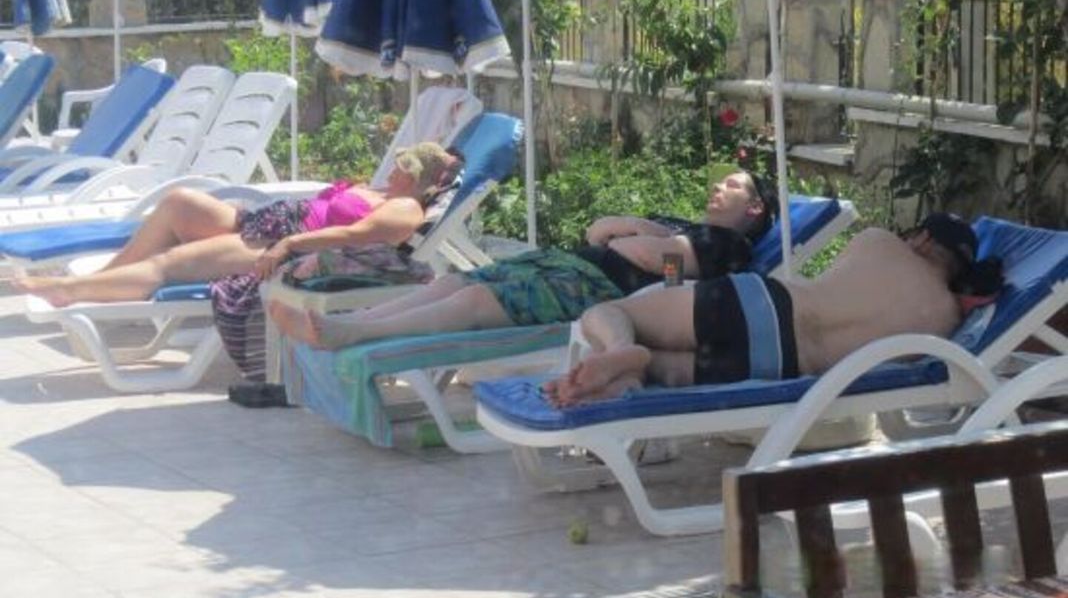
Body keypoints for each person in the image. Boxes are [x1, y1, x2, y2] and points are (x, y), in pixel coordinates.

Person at [14, 142, 460, 379]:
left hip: (278, 242)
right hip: (266, 222)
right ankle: (105, 280)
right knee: (179, 202)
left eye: (402, 166)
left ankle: (69, 291)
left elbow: (354, 236)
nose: (392, 169)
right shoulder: (384, 193)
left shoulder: (405, 207)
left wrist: (288, 245)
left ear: (415, 178)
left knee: (170, 262)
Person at [267, 170, 779, 350]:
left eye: (732, 186)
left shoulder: (728, 244)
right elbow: (598, 230)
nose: (718, 187)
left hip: (595, 290)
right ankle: (355, 319)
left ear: (754, 208)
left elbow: (661, 266)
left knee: (473, 300)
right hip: (568, 263)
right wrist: (645, 232)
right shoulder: (683, 228)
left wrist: (646, 241)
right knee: (454, 283)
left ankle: (351, 334)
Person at [544, 212, 1004, 406]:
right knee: (660, 371)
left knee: (615, 313)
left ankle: (620, 350)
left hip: (761, 303)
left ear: (922, 237)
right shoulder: (945, 317)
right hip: (779, 364)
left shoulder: (881, 242)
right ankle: (627, 376)